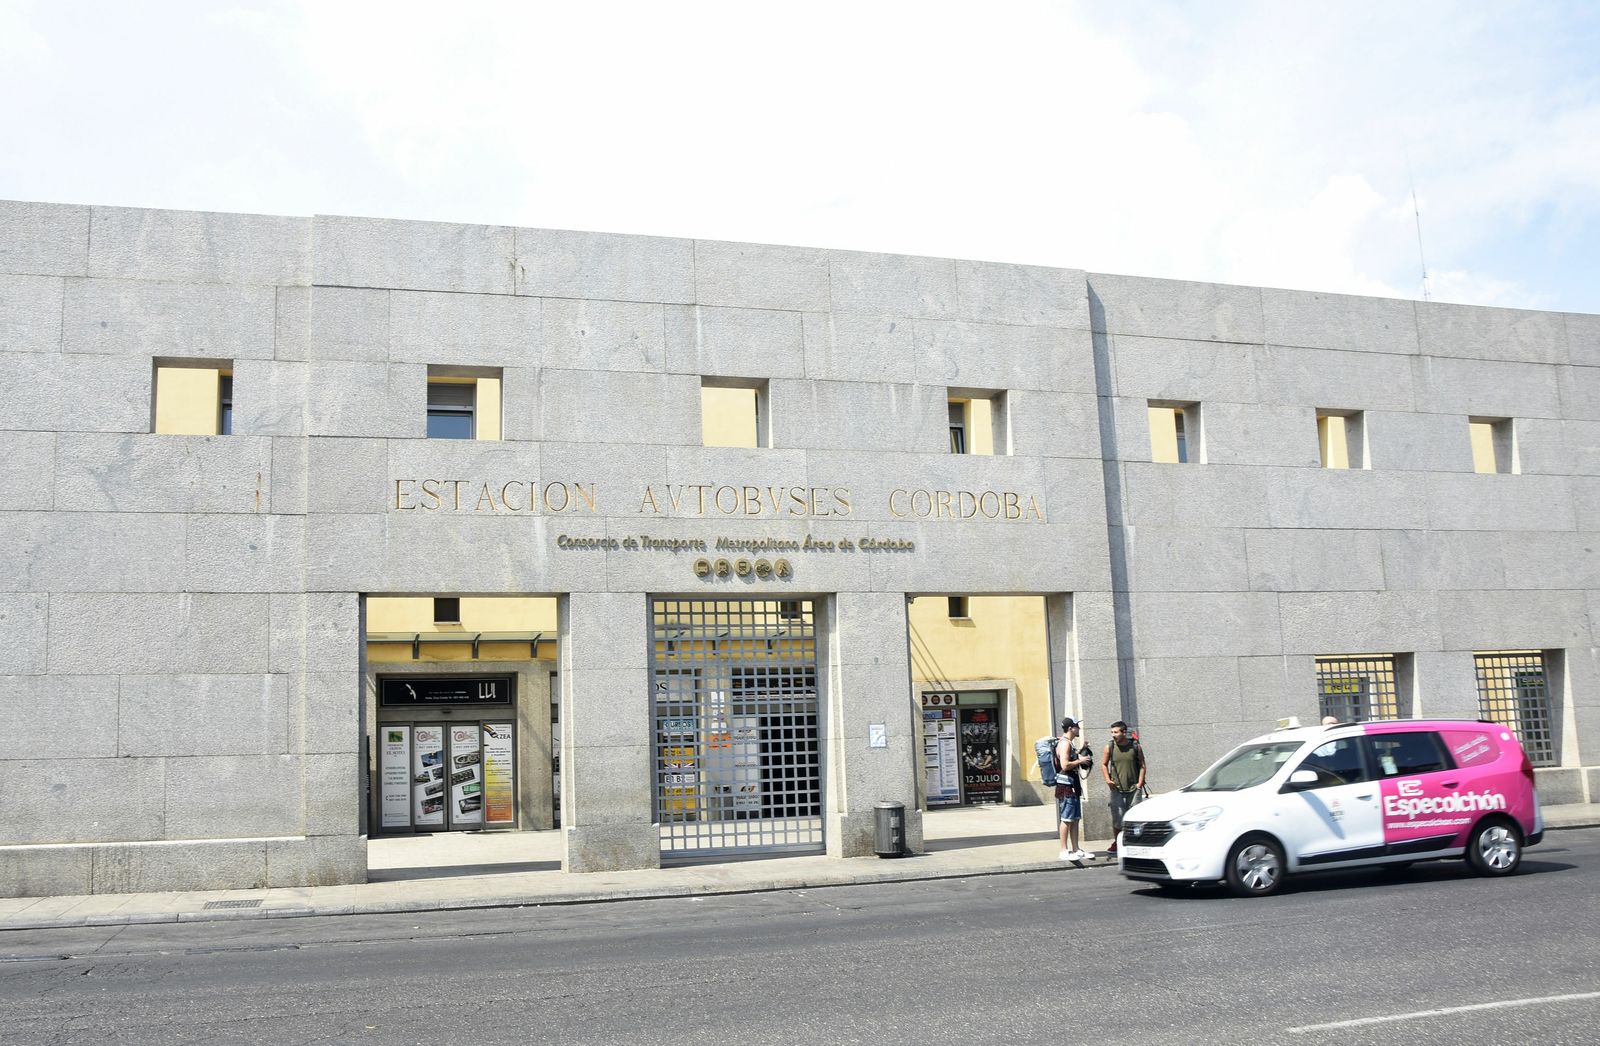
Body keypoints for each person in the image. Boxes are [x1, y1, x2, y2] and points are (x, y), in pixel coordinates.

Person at [1101, 720, 1147, 857]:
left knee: (1136, 818)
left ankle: (1135, 842)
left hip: (1134, 788)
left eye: (1116, 732)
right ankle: (1118, 843)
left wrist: (1140, 783)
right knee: (1117, 818)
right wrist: (1108, 780)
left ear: (1124, 732)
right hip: (1117, 789)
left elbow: (1142, 765)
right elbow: (1103, 764)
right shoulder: (1110, 747)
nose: (1113, 735)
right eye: (1112, 732)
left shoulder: (1135, 746)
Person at [1054, 718, 1094, 861]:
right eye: (1077, 726)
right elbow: (1065, 765)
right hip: (1066, 786)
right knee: (1066, 819)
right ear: (1070, 728)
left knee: (1075, 819)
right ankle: (1063, 850)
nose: (1079, 729)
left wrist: (1082, 750)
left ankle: (1076, 849)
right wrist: (1080, 761)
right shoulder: (1065, 744)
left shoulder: (1069, 743)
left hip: (1073, 785)